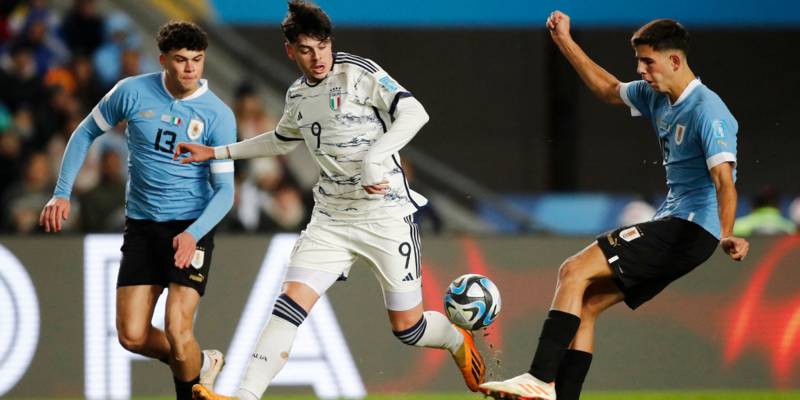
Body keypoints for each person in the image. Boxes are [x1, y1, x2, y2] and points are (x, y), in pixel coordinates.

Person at [174, 2, 485, 399]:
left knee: (409, 328)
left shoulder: (358, 72)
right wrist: (216, 153)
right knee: (289, 303)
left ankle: (456, 340)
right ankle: (245, 396)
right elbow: (280, 141)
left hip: (386, 215)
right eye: (306, 50)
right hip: (332, 220)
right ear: (290, 51)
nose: (317, 57)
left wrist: (374, 159)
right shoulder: (297, 96)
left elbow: (415, 113)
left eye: (322, 46)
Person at [479, 11, 750, 400]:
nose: (640, 70)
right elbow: (608, 89)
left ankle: (538, 378)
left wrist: (727, 233)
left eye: (648, 62)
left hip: (690, 229)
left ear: (675, 61)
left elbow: (724, 180)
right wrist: (564, 41)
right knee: (587, 303)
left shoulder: (708, 110)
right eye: (639, 61)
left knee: (573, 269)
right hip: (678, 225)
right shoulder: (657, 95)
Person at [39, 21, 234, 400]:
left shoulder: (218, 115)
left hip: (191, 226)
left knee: (178, 329)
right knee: (132, 335)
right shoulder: (131, 92)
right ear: (163, 60)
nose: (190, 68)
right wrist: (61, 193)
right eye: (181, 60)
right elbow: (85, 132)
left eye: (197, 59)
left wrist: (193, 233)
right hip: (143, 225)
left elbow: (225, 191)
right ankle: (203, 363)